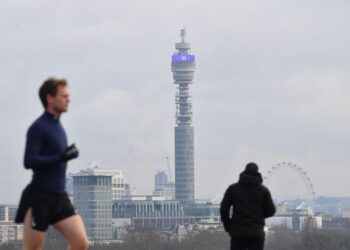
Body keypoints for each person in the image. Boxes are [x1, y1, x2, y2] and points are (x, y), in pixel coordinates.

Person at [15, 77, 89, 250]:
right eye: (63, 96)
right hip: (39, 197)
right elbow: (29, 161)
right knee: (33, 248)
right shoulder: (38, 127)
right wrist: (61, 157)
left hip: (59, 197)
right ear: (50, 98)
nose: (68, 99)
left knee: (81, 243)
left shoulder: (58, 127)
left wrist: (63, 156)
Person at [220, 162, 275, 250]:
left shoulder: (233, 189)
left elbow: (224, 209)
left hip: (238, 233)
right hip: (257, 233)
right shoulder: (263, 191)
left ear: (244, 172)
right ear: (258, 174)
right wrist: (259, 215)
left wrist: (228, 226)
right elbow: (271, 211)